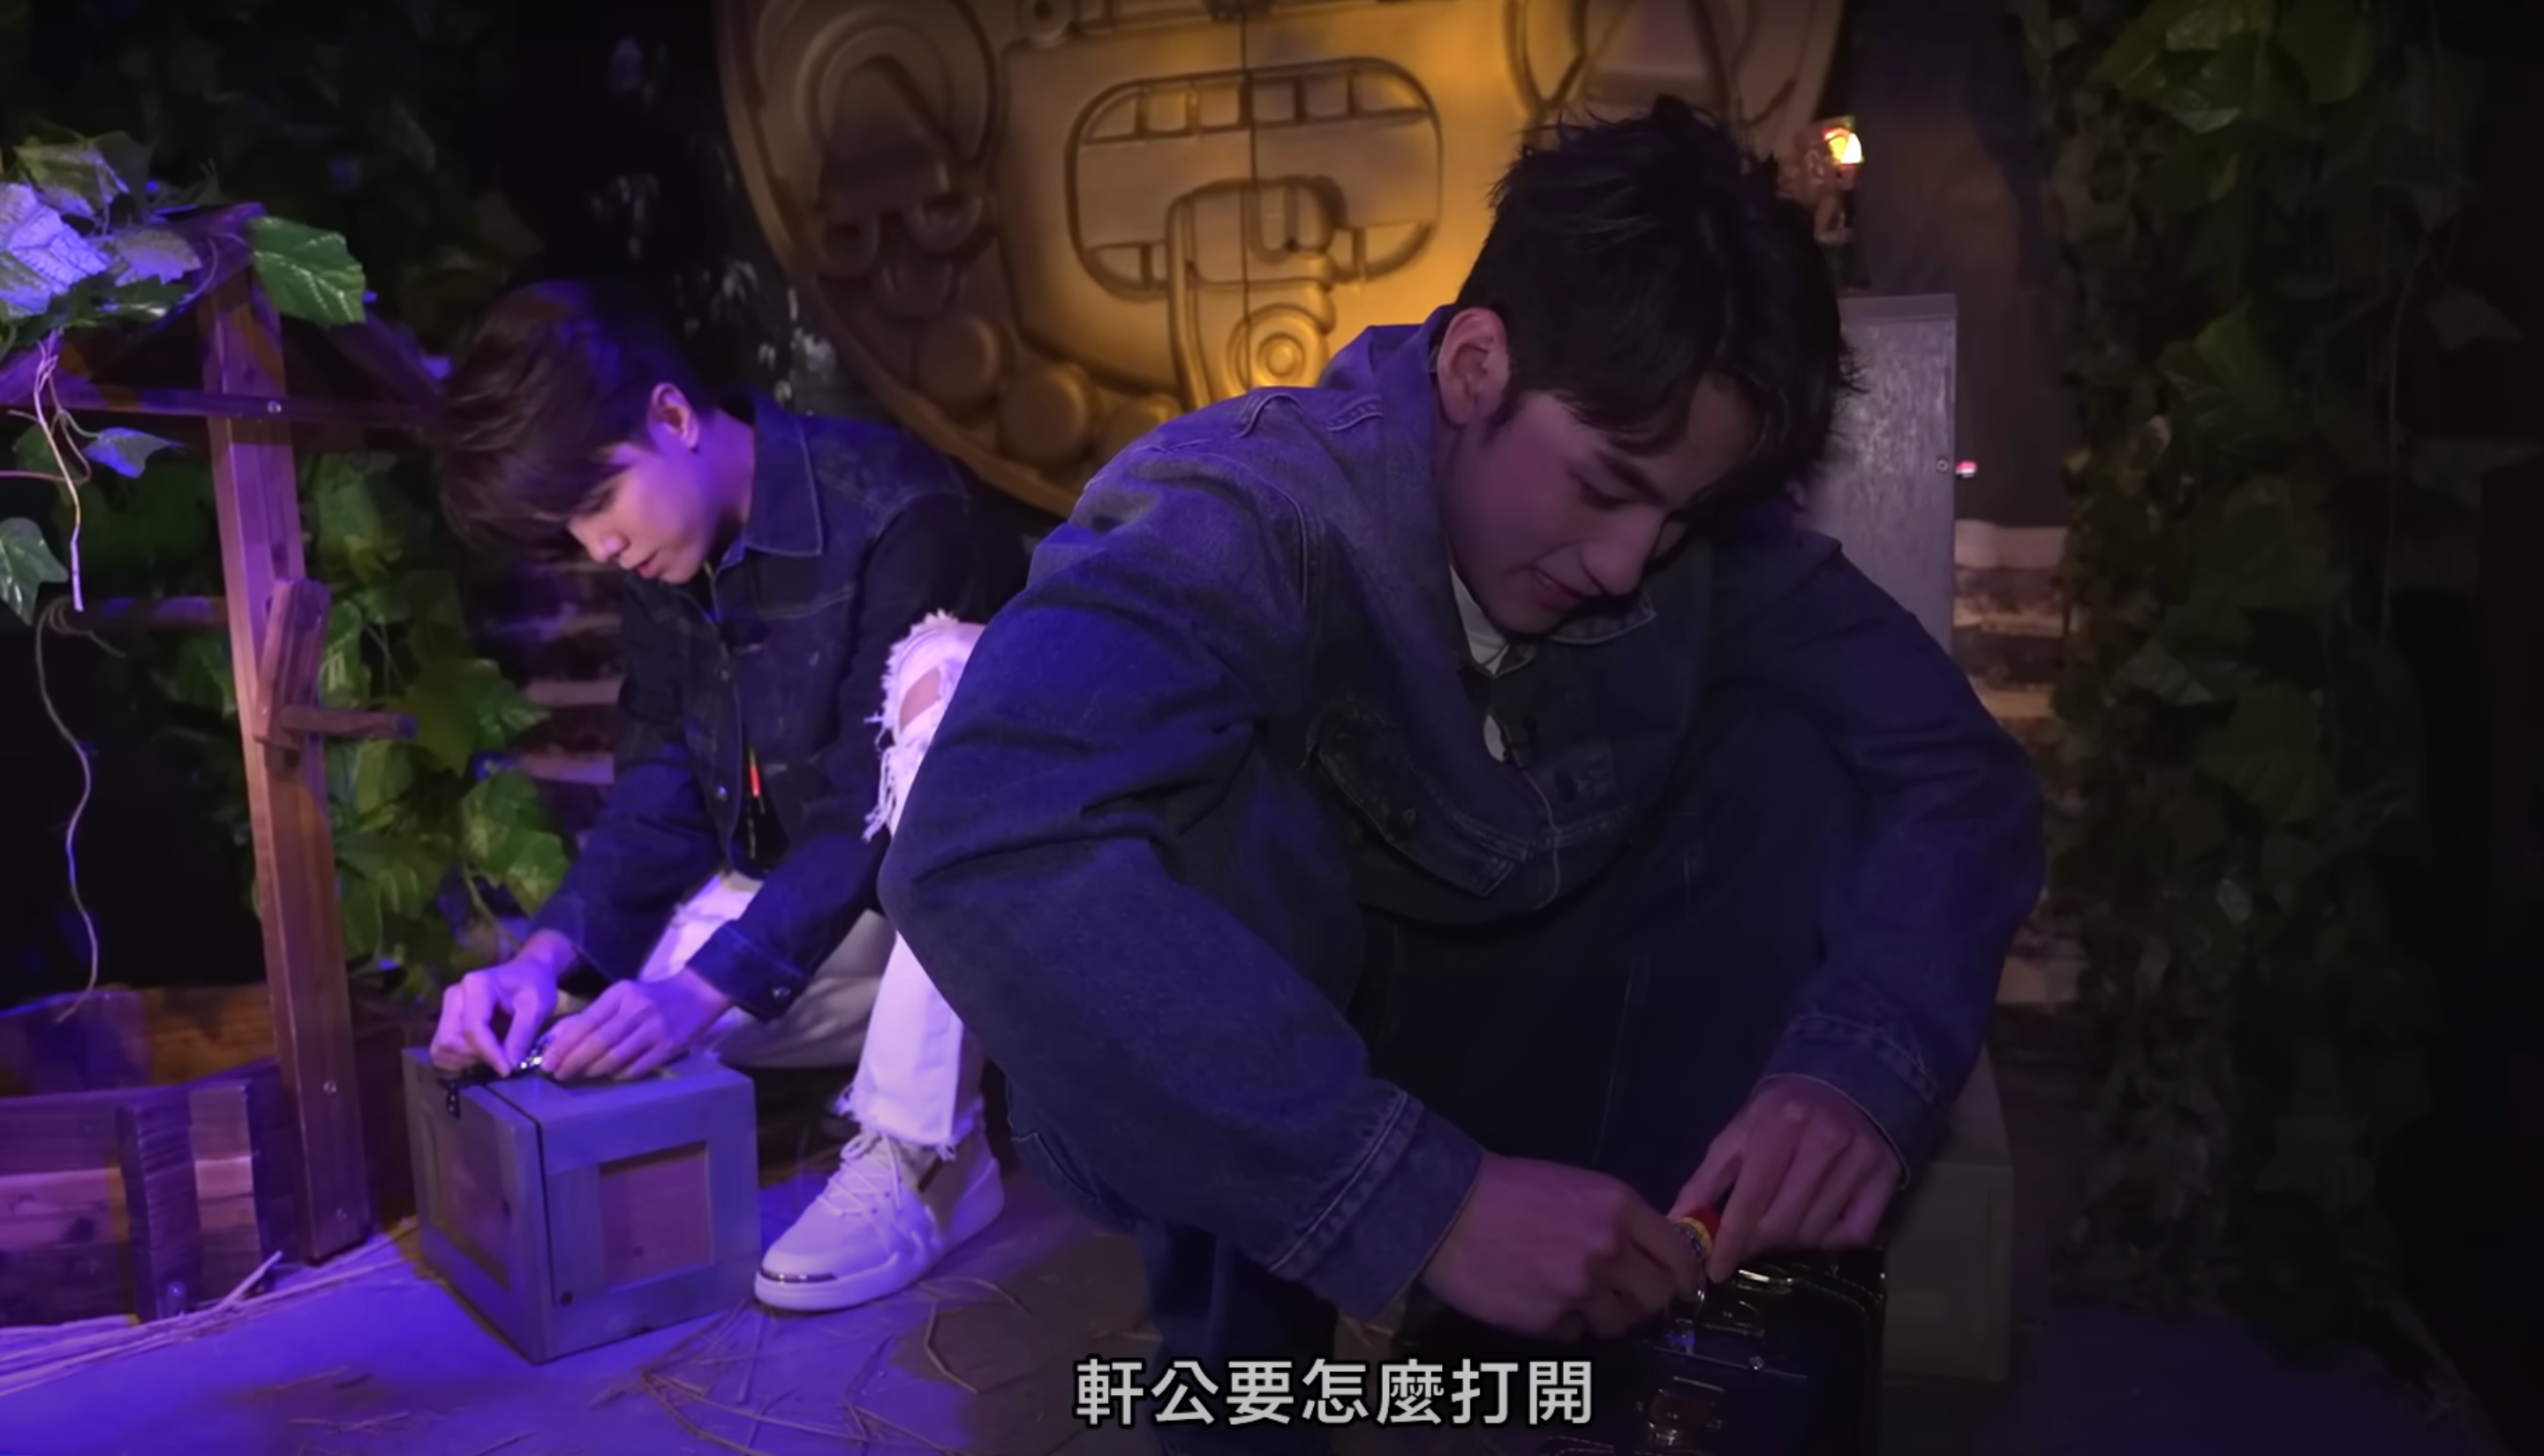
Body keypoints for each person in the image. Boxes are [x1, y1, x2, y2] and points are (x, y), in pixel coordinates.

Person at [873, 97, 2044, 1448]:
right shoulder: (1242, 511)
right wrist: (1415, 1196)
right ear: (1476, 366)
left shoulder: (1693, 548)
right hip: (1229, 1091)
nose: (1627, 561)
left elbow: (1956, 775)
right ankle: (1246, 1382)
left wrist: (1853, 1071)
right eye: (1604, 485)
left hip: (1515, 1038)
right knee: (1231, 829)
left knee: (1801, 751)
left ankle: (1592, 1347)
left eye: (1679, 514)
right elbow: (980, 843)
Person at [426, 281, 1025, 1312]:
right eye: (569, 525)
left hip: (986, 910)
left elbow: (867, 810)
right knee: (588, 1022)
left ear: (671, 415)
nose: (597, 546)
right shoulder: (667, 563)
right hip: (835, 920)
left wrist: (700, 992)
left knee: (946, 677)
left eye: (596, 501)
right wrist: (542, 960)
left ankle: (923, 1150)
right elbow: (657, 795)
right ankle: (873, 1071)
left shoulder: (899, 504)